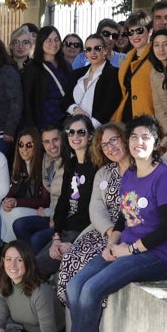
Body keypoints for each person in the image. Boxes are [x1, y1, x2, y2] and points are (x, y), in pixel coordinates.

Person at [52, 115, 167, 332]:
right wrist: (114, 242)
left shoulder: (165, 177)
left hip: (157, 255)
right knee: (76, 284)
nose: (138, 142)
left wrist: (131, 249)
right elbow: (125, 216)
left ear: (156, 141)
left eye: (145, 137)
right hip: (126, 247)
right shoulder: (131, 175)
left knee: (92, 289)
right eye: (134, 137)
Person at [56, 122, 131, 301]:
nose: (110, 148)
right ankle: (75, 317)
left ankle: (88, 314)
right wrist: (109, 230)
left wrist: (117, 234)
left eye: (114, 140)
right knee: (71, 257)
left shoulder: (140, 169)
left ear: (124, 139)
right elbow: (96, 208)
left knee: (89, 263)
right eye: (104, 145)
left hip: (129, 230)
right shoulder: (104, 172)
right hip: (102, 229)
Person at [35, 114, 97, 274]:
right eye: (71, 132)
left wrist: (74, 242)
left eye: (81, 132)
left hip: (82, 235)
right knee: (31, 266)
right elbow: (62, 203)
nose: (75, 136)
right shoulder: (71, 164)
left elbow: (96, 213)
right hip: (64, 233)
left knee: (34, 270)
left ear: (90, 136)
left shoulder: (97, 167)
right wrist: (56, 237)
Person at [11, 124, 64, 248]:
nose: (52, 146)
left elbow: (65, 198)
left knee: (36, 239)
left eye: (55, 140)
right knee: (19, 224)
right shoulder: (46, 160)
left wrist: (49, 213)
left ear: (62, 139)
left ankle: (33, 263)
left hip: (63, 218)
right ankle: (27, 260)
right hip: (51, 214)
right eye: (47, 142)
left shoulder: (68, 162)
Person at [0, 129, 47, 241]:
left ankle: (17, 248)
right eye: (21, 144)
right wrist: (7, 201)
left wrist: (17, 202)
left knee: (16, 212)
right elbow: (12, 191)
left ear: (37, 146)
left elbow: (45, 201)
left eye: (29, 145)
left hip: (42, 211)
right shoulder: (20, 165)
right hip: (25, 207)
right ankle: (8, 246)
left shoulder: (45, 165)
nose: (24, 149)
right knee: (4, 209)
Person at [21, 25, 72, 130]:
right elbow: (27, 100)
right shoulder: (32, 67)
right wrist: (32, 127)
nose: (53, 44)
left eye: (56, 40)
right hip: (43, 120)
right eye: (48, 40)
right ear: (41, 42)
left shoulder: (66, 65)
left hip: (65, 119)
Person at [68, 33, 121, 125]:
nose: (93, 52)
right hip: (73, 129)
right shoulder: (77, 73)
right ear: (85, 53)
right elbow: (66, 99)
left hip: (98, 131)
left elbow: (110, 105)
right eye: (88, 49)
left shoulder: (114, 74)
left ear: (104, 50)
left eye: (97, 48)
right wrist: (74, 109)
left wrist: (89, 129)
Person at [112, 10, 153, 123]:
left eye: (139, 31)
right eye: (130, 32)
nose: (135, 35)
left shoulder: (157, 56)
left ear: (150, 31)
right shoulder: (128, 58)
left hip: (148, 120)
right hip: (127, 118)